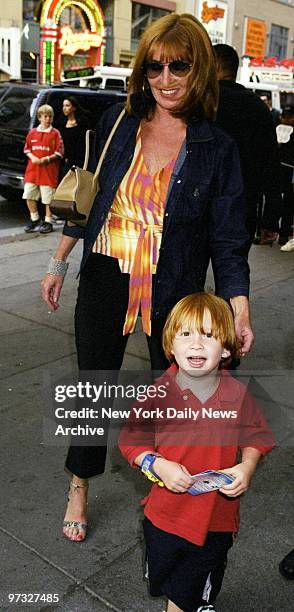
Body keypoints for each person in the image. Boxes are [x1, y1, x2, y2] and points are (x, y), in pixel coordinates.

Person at [41, 13, 253, 542]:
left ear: (199, 69)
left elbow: (228, 241)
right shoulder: (116, 123)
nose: (165, 78)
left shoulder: (218, 149)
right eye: (154, 67)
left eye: (178, 65)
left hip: (173, 286)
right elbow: (87, 197)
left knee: (177, 396)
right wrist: (59, 262)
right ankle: (79, 483)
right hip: (107, 273)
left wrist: (240, 306)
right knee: (92, 387)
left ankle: (168, 487)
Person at [119, 292, 274, 612]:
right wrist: (156, 464)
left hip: (215, 519)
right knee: (163, 575)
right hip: (163, 516)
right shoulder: (158, 393)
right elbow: (130, 440)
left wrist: (247, 466)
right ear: (170, 346)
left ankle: (191, 601)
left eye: (209, 335)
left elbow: (257, 436)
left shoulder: (238, 394)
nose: (196, 344)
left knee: (189, 589)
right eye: (185, 334)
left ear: (227, 348)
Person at [213, 44, 281, 248]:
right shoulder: (258, 108)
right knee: (235, 268)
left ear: (214, 66)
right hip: (244, 207)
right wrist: (270, 219)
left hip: (203, 206)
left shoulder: (204, 103)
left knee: (192, 273)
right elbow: (271, 166)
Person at [23, 104, 64, 234]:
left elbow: (59, 152)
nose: (48, 119)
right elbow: (27, 148)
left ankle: (48, 221)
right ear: (39, 117)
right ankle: (34, 218)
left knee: (48, 199)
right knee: (29, 195)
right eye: (45, 116)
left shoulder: (55, 133)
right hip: (32, 171)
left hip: (48, 172)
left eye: (50, 116)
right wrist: (32, 157)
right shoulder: (33, 132)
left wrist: (46, 159)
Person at [55, 96, 90, 179]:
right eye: (63, 106)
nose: (64, 108)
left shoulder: (82, 123)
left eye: (67, 106)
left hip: (78, 159)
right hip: (64, 159)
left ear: (74, 108)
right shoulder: (61, 123)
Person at [276, 106, 294, 248]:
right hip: (278, 168)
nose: (286, 120)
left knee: (288, 201)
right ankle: (270, 229)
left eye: (289, 117)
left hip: (290, 170)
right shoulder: (277, 130)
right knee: (275, 199)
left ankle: (284, 232)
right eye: (284, 116)